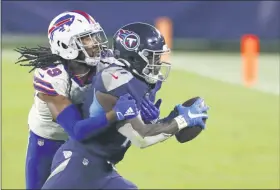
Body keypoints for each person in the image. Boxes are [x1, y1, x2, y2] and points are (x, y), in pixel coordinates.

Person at [41, 22, 209, 189]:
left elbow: (134, 127)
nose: (157, 62)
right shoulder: (115, 80)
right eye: (152, 56)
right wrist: (182, 121)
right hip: (78, 166)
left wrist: (162, 121)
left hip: (102, 168)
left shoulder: (144, 80)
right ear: (133, 56)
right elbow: (142, 137)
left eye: (158, 56)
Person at [15, 11, 159, 189]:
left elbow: (142, 81)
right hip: (49, 140)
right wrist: (117, 113)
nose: (97, 43)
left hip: (85, 142)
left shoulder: (106, 62)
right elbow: (76, 129)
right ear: (66, 45)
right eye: (87, 38)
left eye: (95, 36)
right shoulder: (53, 77)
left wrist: (144, 110)